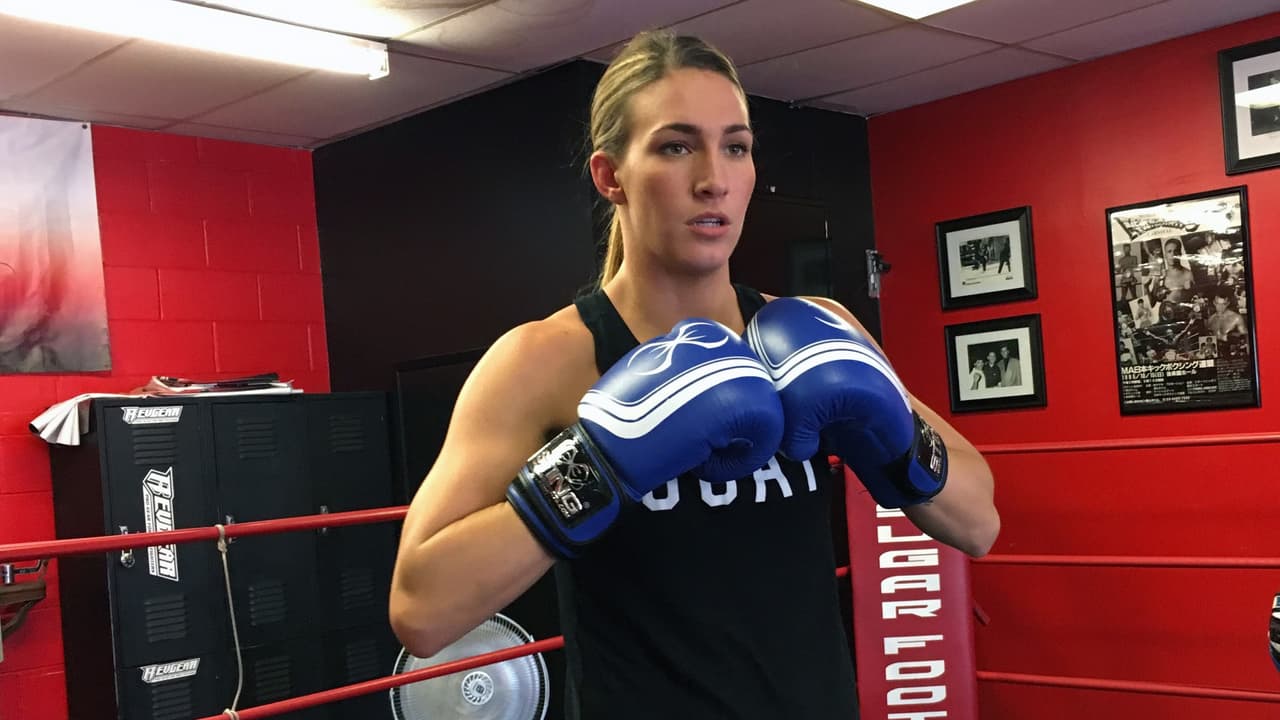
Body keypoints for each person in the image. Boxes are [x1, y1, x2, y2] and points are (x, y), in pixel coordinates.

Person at [388, 30, 999, 719]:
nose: (714, 179)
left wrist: (892, 430)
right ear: (610, 177)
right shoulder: (548, 359)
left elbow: (979, 521)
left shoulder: (817, 330)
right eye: (676, 147)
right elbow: (421, 611)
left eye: (735, 147)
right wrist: (601, 462)